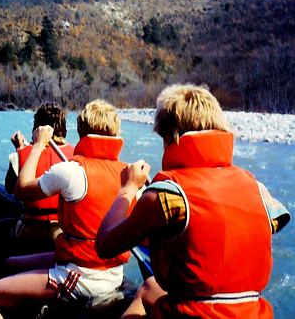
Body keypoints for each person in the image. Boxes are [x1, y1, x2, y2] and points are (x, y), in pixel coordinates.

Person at [95, 83, 291, 319]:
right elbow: (240, 229)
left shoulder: (166, 196)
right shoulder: (258, 189)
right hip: (252, 312)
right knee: (148, 288)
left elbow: (105, 245)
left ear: (169, 136)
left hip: (191, 314)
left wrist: (127, 188)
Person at [0, 99, 131, 319]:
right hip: (105, 269)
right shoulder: (129, 176)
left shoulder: (72, 170)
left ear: (81, 129)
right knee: (9, 264)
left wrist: (35, 146)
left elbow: (20, 190)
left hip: (80, 274)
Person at [5, 103, 74, 254]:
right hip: (61, 233)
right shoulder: (76, 157)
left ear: (36, 128)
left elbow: (10, 189)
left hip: (29, 230)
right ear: (63, 128)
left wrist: (20, 150)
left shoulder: (20, 154)